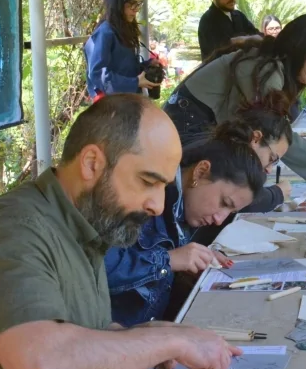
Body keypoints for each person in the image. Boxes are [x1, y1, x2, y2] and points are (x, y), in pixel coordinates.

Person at [0, 95, 243, 369]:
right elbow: (40, 364)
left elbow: (78, 327)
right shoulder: (13, 233)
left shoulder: (82, 221)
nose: (158, 206)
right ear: (92, 163)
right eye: (148, 181)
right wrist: (167, 342)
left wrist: (153, 337)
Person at [164, 13, 306, 180]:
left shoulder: (272, 64)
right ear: (297, 46)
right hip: (184, 131)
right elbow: (274, 130)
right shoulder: (265, 68)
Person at [105, 138, 266, 327]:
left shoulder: (183, 210)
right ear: (200, 172)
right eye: (224, 203)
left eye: (230, 212)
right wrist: (168, 260)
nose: (219, 219)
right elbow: (99, 269)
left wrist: (193, 261)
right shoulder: (144, 201)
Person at [84, 0, 160, 101]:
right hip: (110, 104)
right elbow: (97, 74)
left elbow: (124, 68)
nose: (135, 9)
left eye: (138, 4)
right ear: (117, 3)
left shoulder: (124, 29)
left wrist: (147, 66)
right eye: (131, 4)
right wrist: (135, 82)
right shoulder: (105, 32)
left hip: (126, 100)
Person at [213, 96, 294, 212]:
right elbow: (242, 200)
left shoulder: (230, 149)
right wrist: (277, 194)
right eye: (271, 158)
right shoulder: (226, 159)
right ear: (256, 139)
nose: (269, 170)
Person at [197, 0, 261, 60]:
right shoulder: (207, 20)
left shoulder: (239, 16)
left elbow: (258, 36)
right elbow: (216, 52)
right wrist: (237, 41)